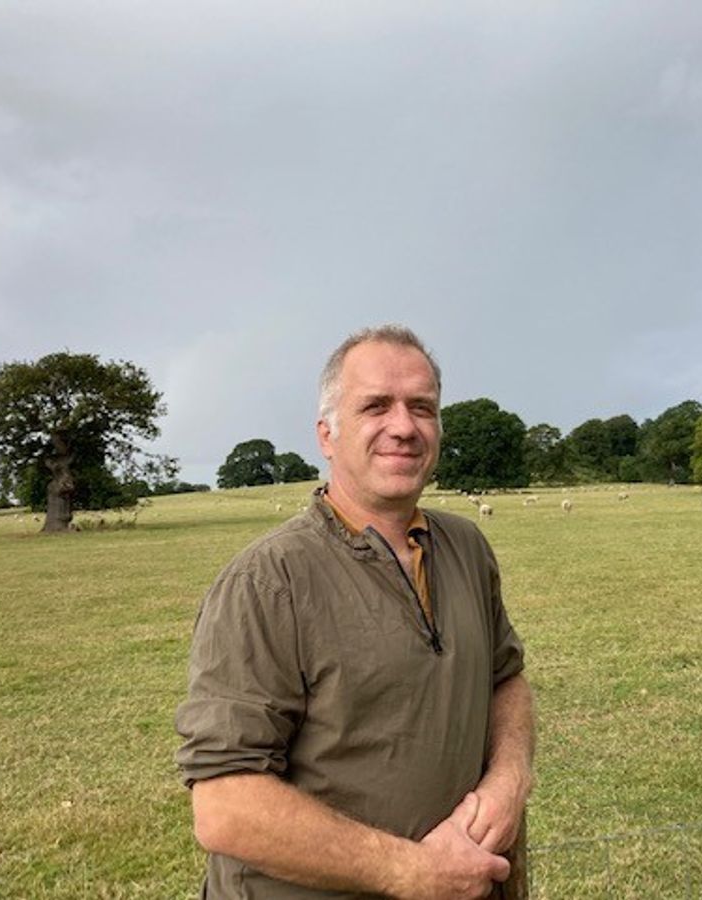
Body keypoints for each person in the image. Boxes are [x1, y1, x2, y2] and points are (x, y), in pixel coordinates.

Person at [175, 325, 534, 899]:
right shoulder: (268, 582)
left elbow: (505, 678)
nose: (404, 426)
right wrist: (413, 872)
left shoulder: (466, 546)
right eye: (375, 406)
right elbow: (225, 804)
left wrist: (509, 781)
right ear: (326, 434)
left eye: (423, 407)